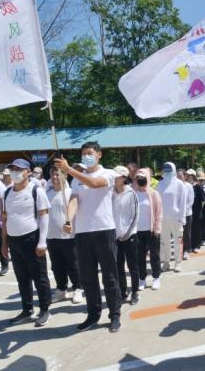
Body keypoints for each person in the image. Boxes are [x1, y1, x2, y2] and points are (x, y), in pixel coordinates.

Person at [54, 141, 122, 333]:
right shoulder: (76, 180)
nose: (86, 156)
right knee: (88, 278)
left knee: (110, 277)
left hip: (104, 230)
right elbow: (74, 200)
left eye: (90, 153)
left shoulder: (108, 173)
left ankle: (115, 314)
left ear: (99, 154)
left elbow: (94, 183)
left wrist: (69, 169)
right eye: (84, 153)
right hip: (83, 233)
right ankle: (93, 315)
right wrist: (68, 219)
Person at [1, 159, 52, 326]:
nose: (15, 172)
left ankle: (45, 309)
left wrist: (42, 242)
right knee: (22, 278)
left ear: (28, 172)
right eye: (12, 169)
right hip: (14, 240)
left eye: (19, 169)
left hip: (31, 239)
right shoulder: (7, 192)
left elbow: (44, 216)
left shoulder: (36, 190)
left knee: (40, 277)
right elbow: (5, 218)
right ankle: (27, 310)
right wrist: (4, 243)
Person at [46, 167, 83, 304]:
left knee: (73, 264)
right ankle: (61, 289)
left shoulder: (70, 193)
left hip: (69, 237)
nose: (55, 177)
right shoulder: (47, 194)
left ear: (65, 176)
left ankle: (78, 288)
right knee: (57, 266)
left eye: (57, 174)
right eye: (53, 174)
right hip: (51, 236)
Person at [112, 166, 140, 305]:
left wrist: (126, 234)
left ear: (124, 178)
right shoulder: (110, 193)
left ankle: (135, 292)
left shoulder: (131, 193)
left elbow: (135, 216)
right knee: (118, 267)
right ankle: (123, 292)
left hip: (130, 236)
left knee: (132, 266)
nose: (114, 178)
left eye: (117, 176)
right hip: (115, 237)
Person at [134, 168, 163, 290]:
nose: (140, 180)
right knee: (140, 257)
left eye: (143, 178)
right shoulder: (133, 193)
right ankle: (142, 279)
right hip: (137, 231)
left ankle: (156, 277)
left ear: (147, 178)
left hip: (151, 231)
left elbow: (159, 213)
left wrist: (157, 229)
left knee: (154, 256)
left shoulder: (154, 194)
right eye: (138, 178)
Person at [157, 162, 186, 272]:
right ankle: (166, 262)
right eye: (165, 169)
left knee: (177, 241)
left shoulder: (179, 184)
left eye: (169, 169)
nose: (167, 172)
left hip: (176, 217)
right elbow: (157, 202)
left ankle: (178, 263)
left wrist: (182, 217)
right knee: (165, 242)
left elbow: (182, 202)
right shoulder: (160, 184)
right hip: (163, 218)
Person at [179, 169, 195, 260]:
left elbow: (191, 200)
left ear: (185, 176)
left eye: (180, 176)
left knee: (186, 233)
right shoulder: (175, 186)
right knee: (177, 233)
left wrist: (184, 211)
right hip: (177, 214)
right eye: (177, 176)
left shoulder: (189, 186)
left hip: (187, 213)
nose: (178, 178)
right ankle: (177, 251)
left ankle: (186, 250)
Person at [190, 170, 205, 253]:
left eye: (191, 176)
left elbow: (203, 199)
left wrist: (200, 209)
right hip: (189, 212)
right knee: (191, 229)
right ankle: (191, 245)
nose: (189, 177)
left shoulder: (198, 187)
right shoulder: (188, 186)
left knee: (197, 229)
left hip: (197, 211)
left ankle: (197, 245)